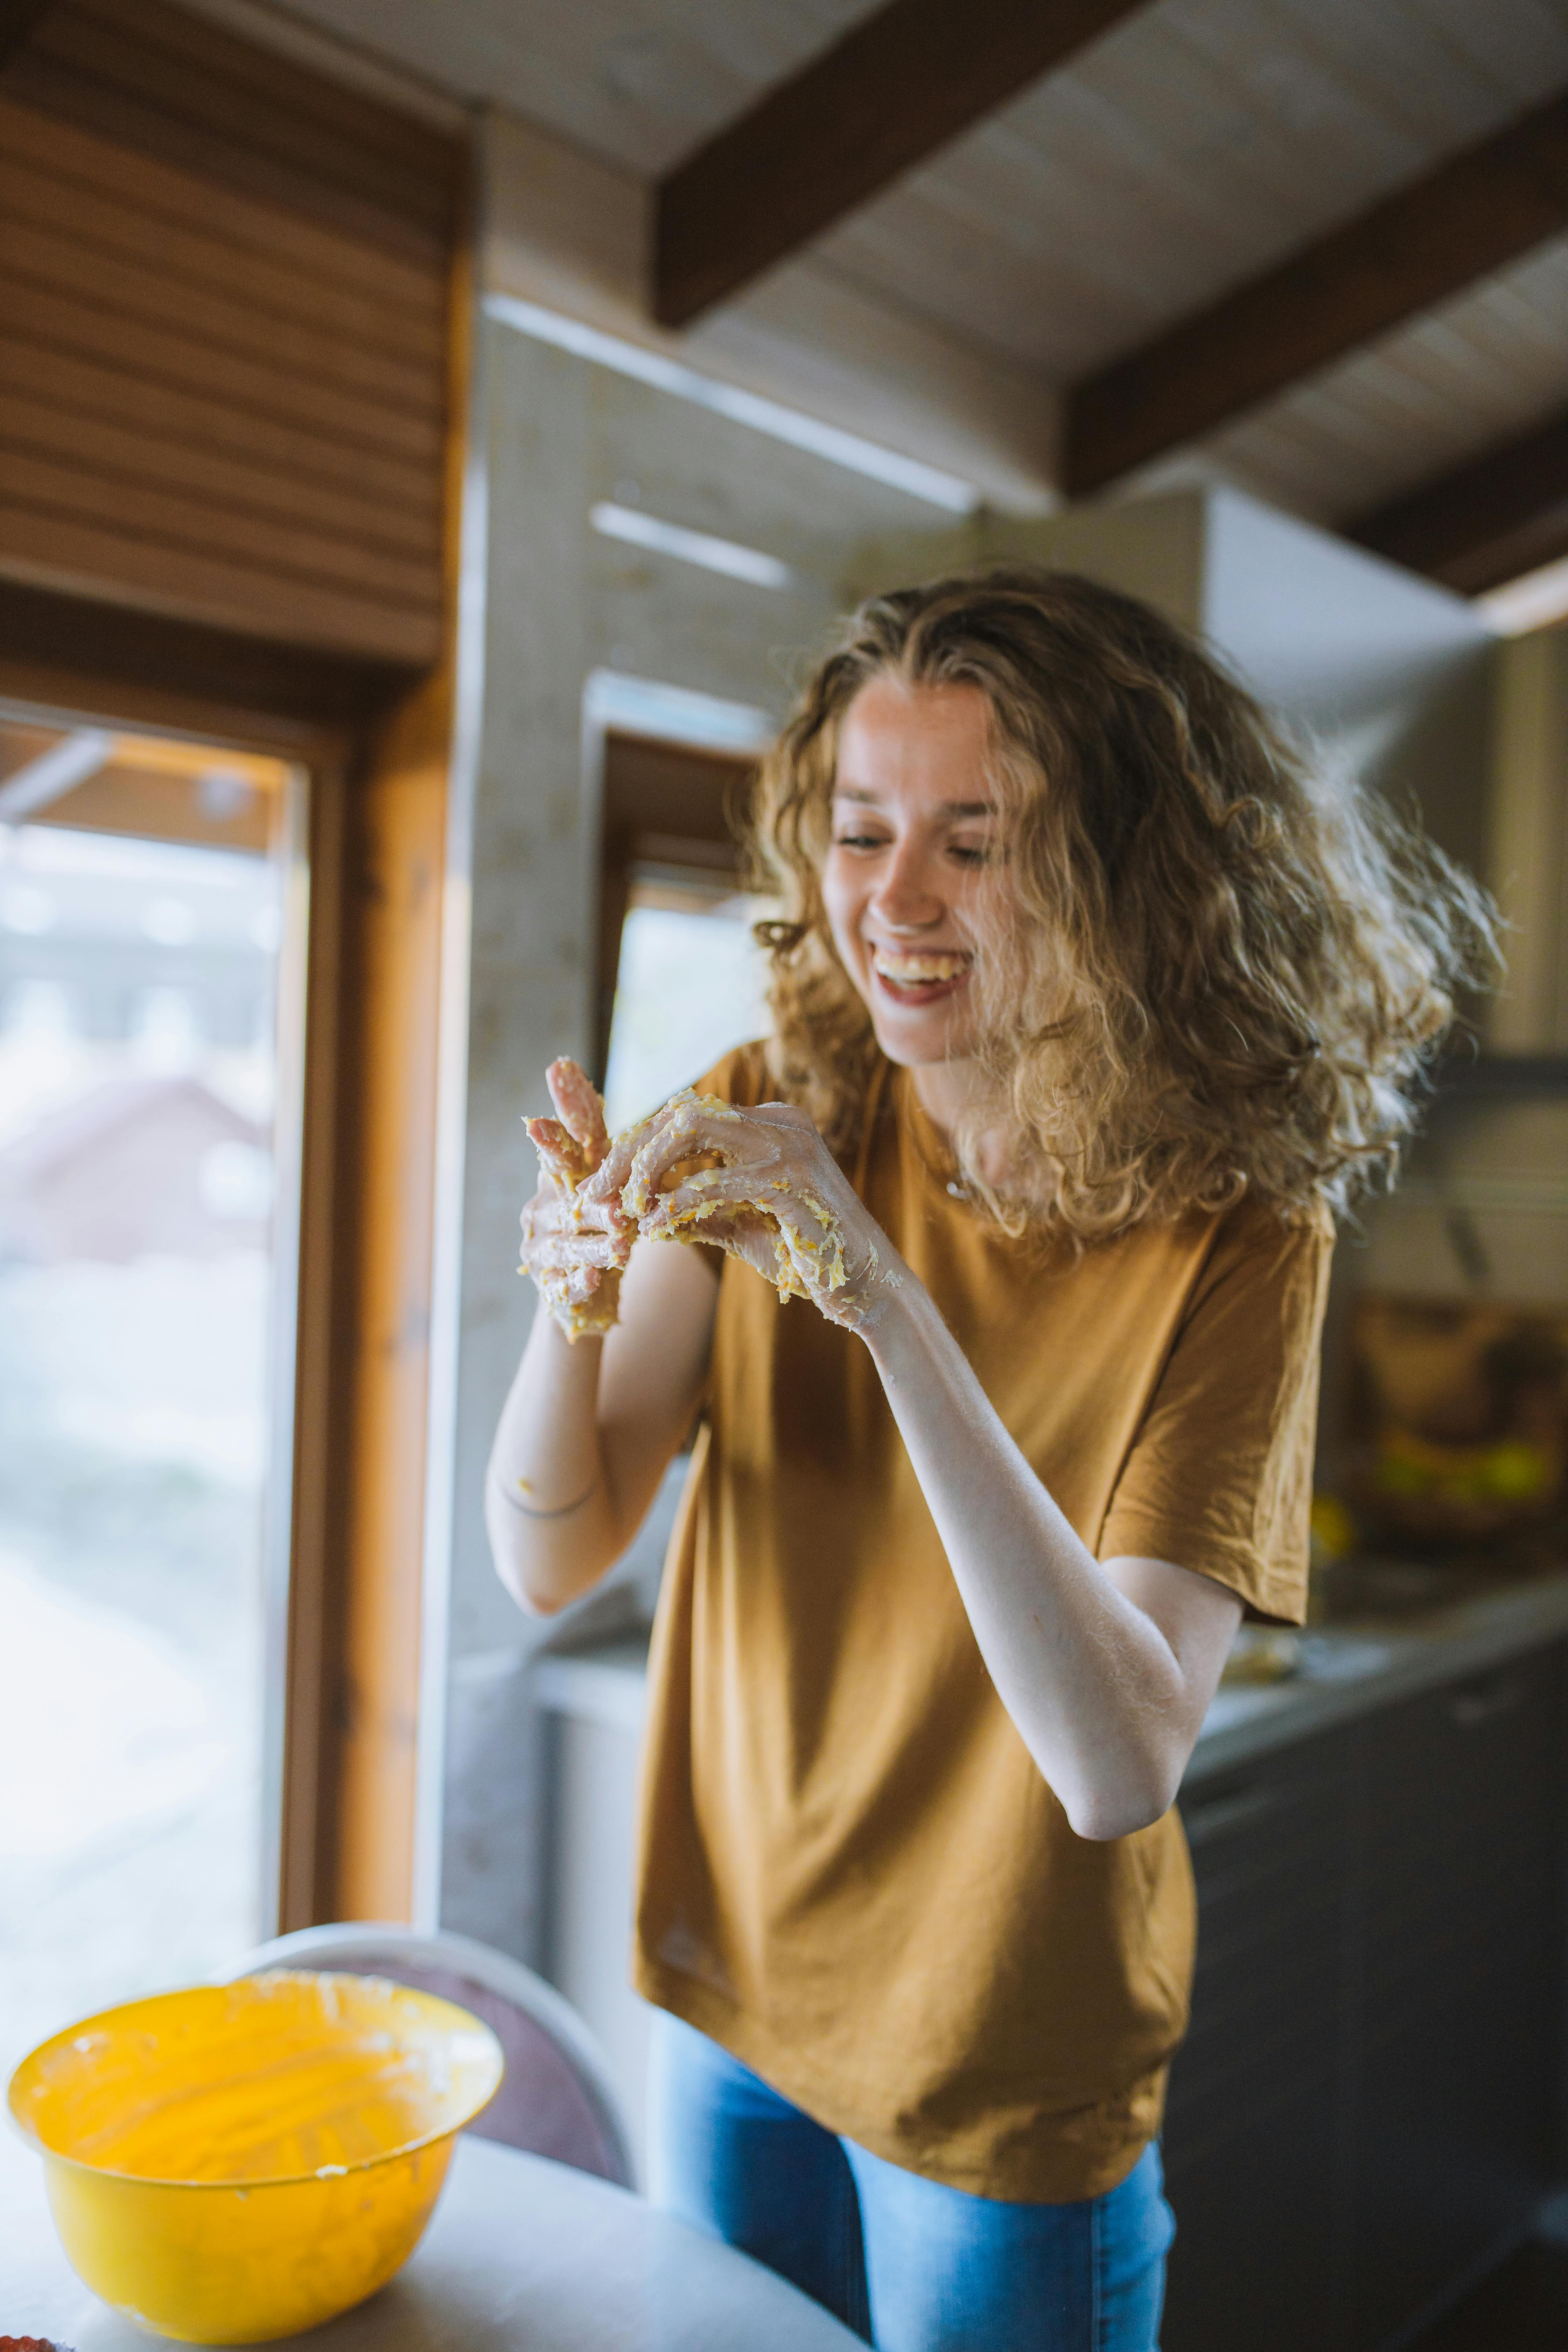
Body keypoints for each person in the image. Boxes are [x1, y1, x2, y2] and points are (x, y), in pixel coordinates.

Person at [487, 567, 1492, 2352]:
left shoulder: (1240, 1225)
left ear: (1128, 877)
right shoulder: (772, 1099)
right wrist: (568, 1300)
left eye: (976, 838)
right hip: (734, 1999)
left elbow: (1116, 1763)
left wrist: (869, 1287)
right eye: (863, 831)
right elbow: (549, 1559)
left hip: (1002, 2070)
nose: (894, 900)